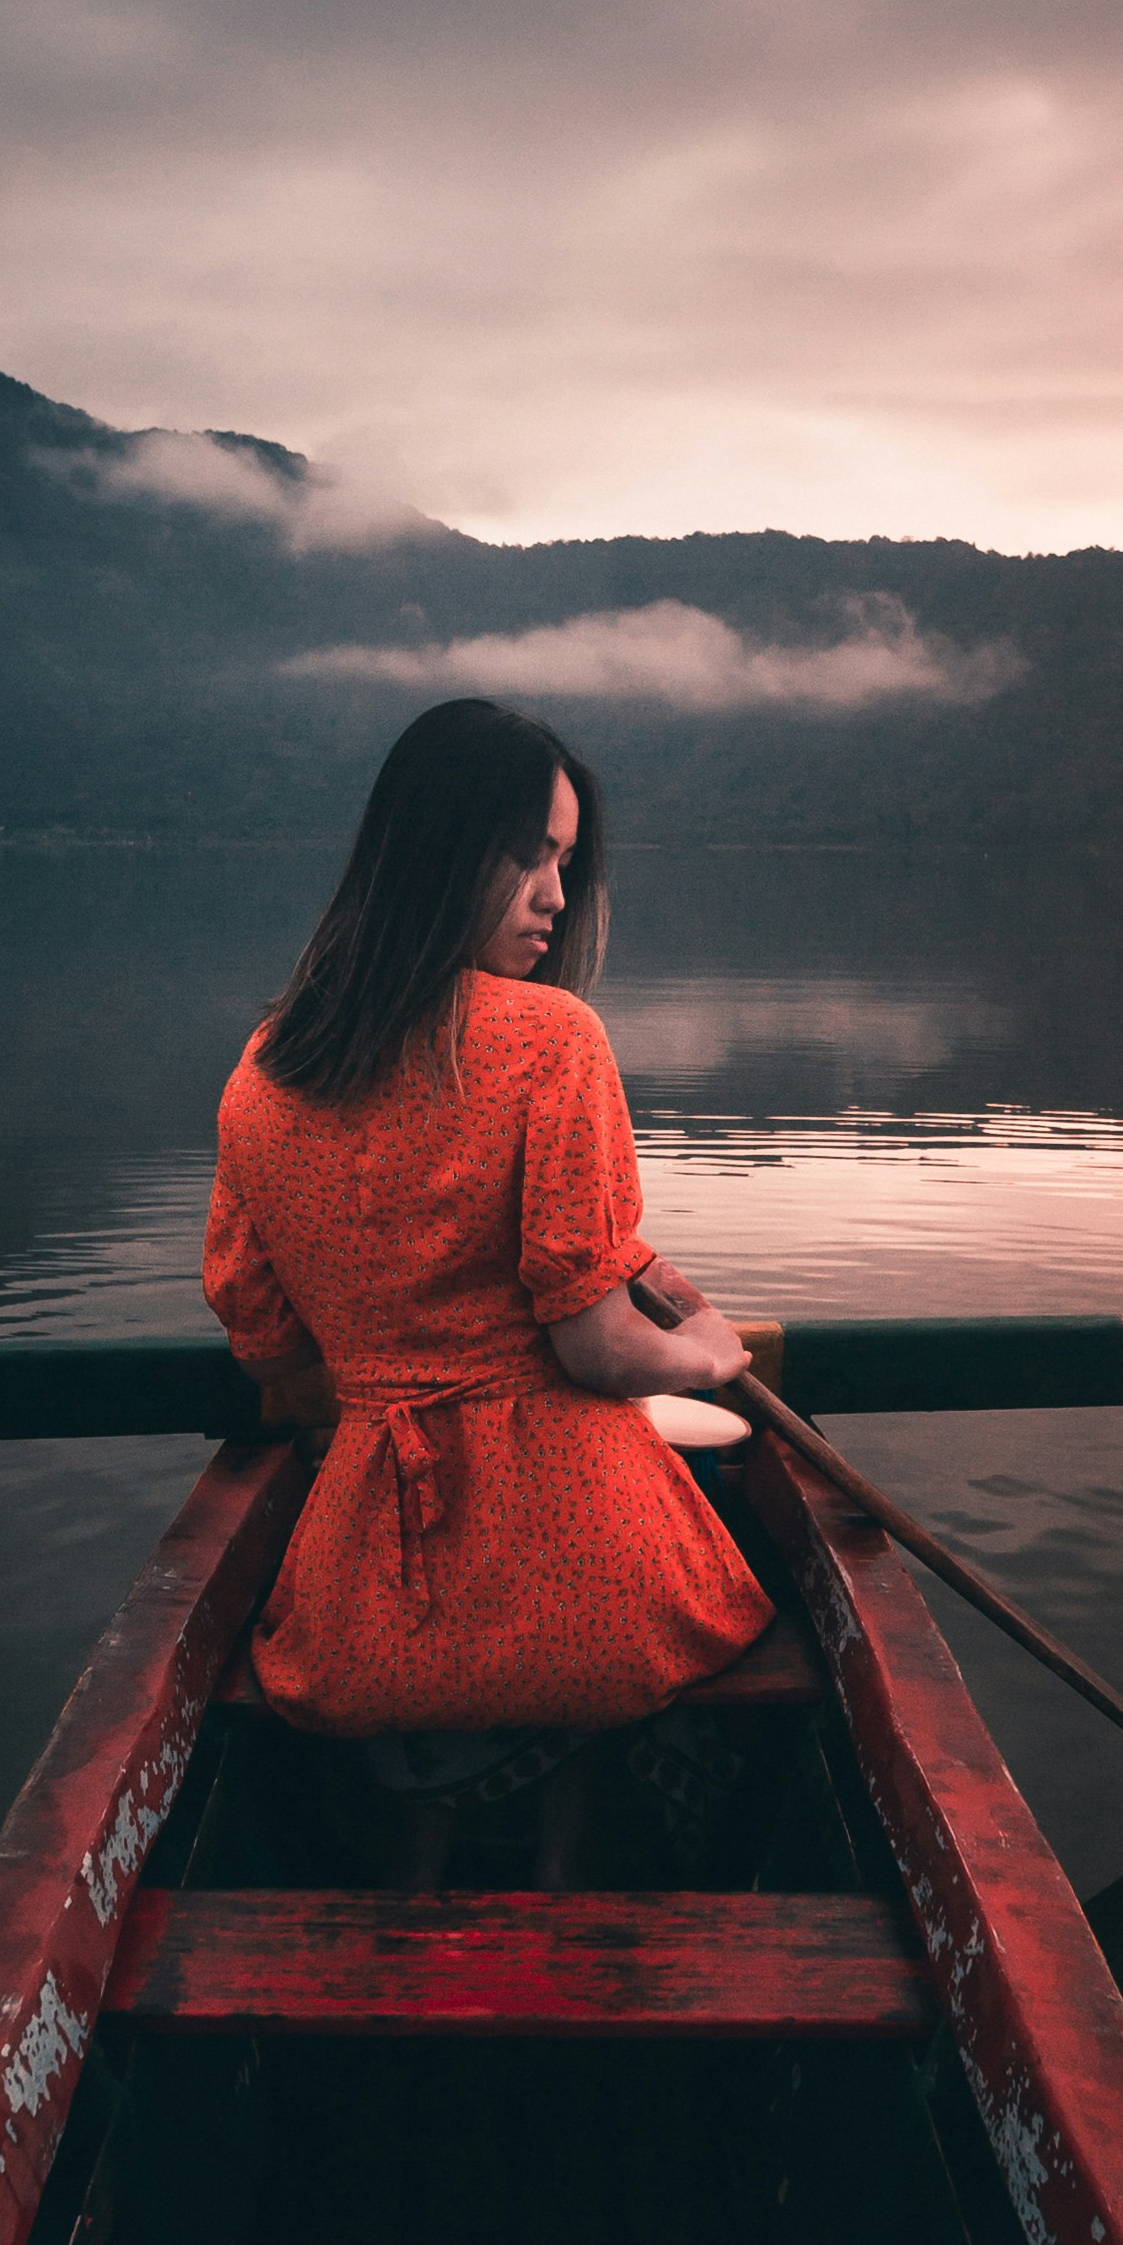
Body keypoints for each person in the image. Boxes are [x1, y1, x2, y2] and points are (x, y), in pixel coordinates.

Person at [203, 696, 774, 1874]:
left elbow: (267, 1352)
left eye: (563, 862)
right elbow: (599, 1349)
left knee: (430, 1685)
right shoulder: (550, 1039)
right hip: (584, 1582)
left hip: (367, 1601)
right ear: (440, 853)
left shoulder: (263, 1072)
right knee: (660, 1601)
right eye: (531, 859)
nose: (556, 898)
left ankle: (416, 1887)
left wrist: (399, 1364)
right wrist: (708, 1352)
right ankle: (566, 1878)